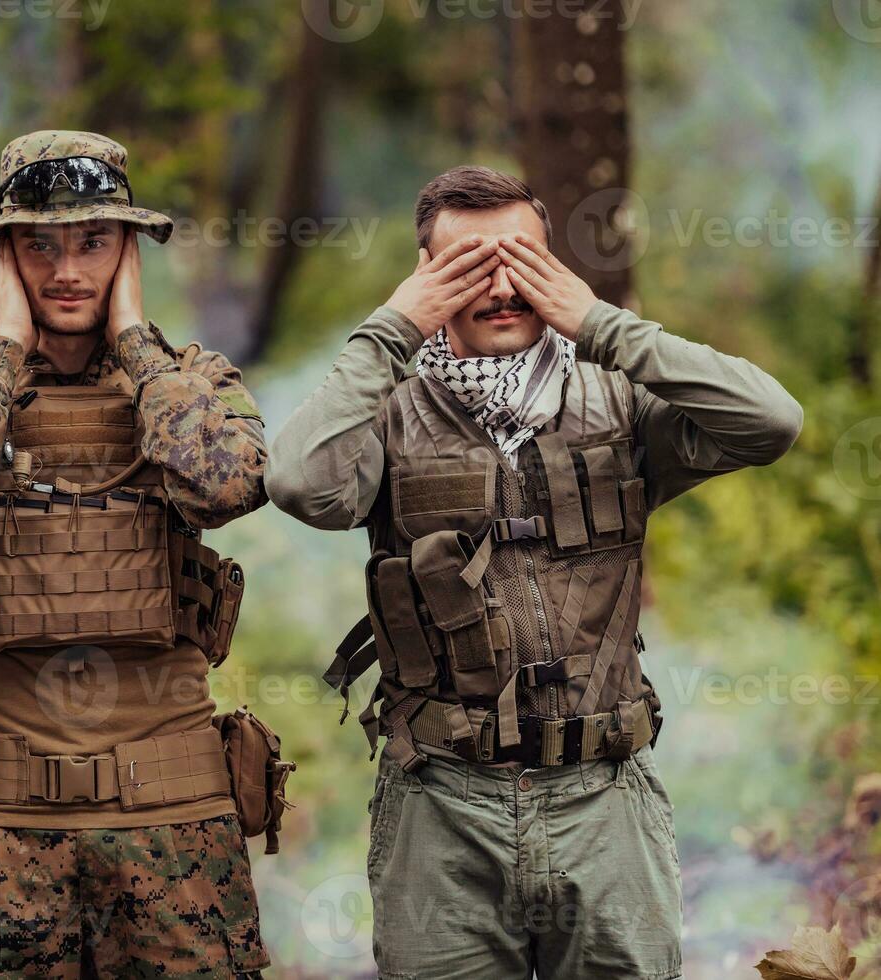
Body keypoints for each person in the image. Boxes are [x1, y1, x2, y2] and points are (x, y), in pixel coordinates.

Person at [265, 165, 802, 979]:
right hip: (441, 808)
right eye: (471, 266)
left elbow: (771, 420)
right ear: (426, 281)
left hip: (604, 801)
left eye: (521, 260)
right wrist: (390, 333)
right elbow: (299, 483)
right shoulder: (386, 417)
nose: (501, 287)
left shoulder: (620, 404)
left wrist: (599, 322)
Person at [0, 130, 274, 978]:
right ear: (6, 256)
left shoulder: (188, 382)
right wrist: (5, 353)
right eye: (39, 245)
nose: (67, 269)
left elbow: (228, 486)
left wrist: (135, 341)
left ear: (130, 250)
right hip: (0, 826)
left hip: (174, 818)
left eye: (93, 241)